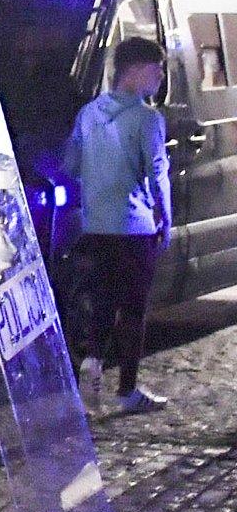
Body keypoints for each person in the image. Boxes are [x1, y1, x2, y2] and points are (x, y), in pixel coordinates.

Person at [63, 35, 172, 415]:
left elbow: (72, 166)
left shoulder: (89, 114)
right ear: (138, 70)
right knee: (134, 312)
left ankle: (92, 363)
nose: (160, 76)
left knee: (103, 304)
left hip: (96, 227)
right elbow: (158, 173)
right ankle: (127, 391)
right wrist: (165, 217)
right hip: (135, 227)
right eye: (157, 69)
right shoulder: (148, 118)